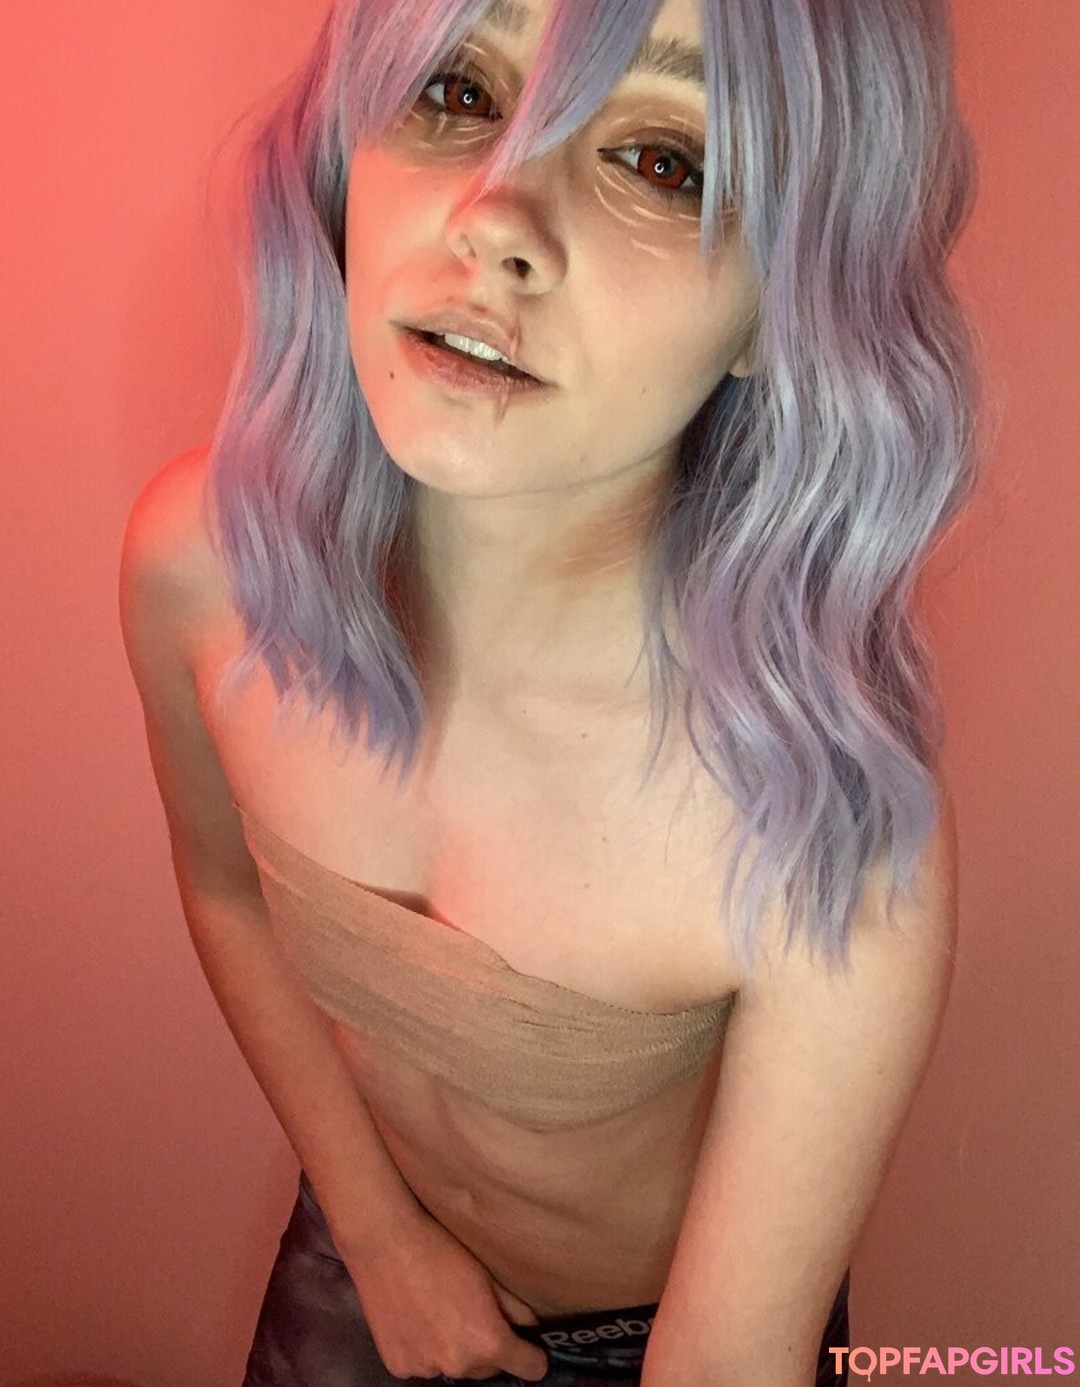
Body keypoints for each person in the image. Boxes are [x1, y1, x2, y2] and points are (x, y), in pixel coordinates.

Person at [119, 0, 982, 1381]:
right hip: (354, 1251)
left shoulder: (825, 841)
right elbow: (226, 889)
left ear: (785, 305)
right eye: (459, 89)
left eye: (663, 162)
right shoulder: (200, 573)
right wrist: (377, 1239)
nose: (497, 218)